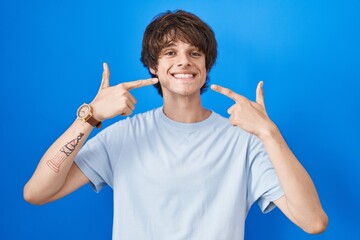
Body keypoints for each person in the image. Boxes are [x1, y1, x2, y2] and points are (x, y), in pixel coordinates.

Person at [24, 10, 328, 239]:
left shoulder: (245, 142)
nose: (184, 61)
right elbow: (36, 192)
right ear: (154, 66)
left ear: (206, 66)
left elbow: (313, 222)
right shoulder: (123, 136)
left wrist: (269, 133)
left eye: (195, 53)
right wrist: (89, 117)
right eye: (170, 53)